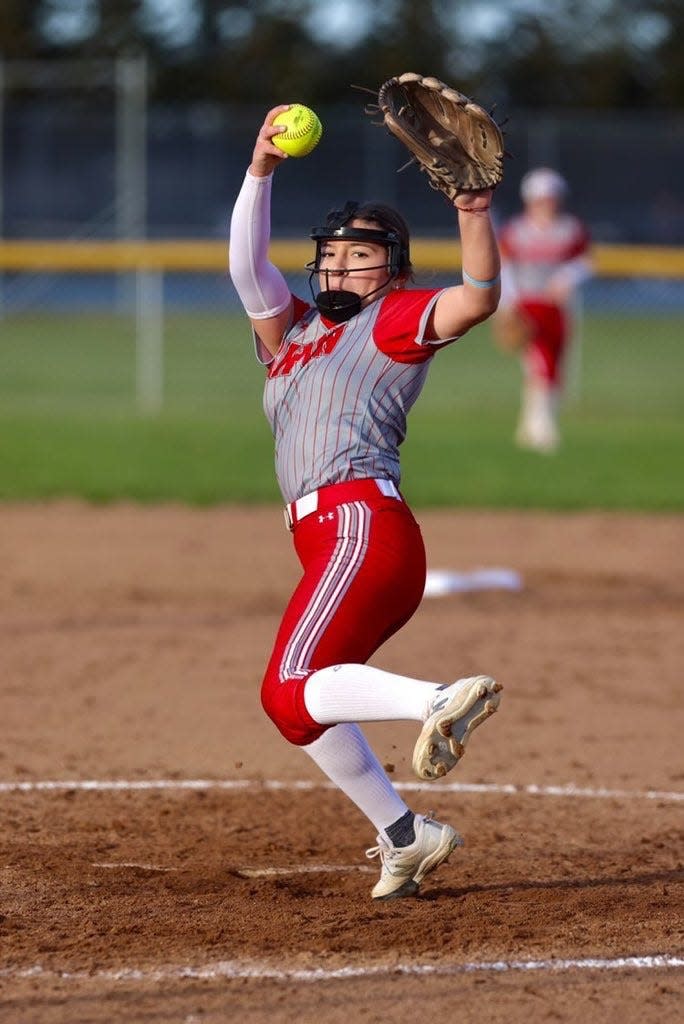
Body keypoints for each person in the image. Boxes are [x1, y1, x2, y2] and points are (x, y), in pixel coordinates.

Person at [228, 104, 503, 901]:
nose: (342, 267)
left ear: (392, 269)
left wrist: (473, 211)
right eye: (333, 255)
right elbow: (248, 273)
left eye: (361, 255)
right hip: (330, 542)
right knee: (297, 706)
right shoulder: (294, 333)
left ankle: (438, 702)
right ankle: (405, 835)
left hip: (361, 527)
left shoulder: (395, 321)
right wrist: (260, 169)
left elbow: (480, 296)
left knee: (288, 687)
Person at [493, 167, 593, 452]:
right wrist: (507, 305)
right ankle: (542, 427)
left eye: (550, 198)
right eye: (540, 198)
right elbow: (506, 268)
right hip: (527, 306)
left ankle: (529, 427)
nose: (546, 203)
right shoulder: (517, 230)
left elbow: (585, 262)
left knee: (553, 367)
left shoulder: (570, 228)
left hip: (557, 308)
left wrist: (566, 278)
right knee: (541, 365)